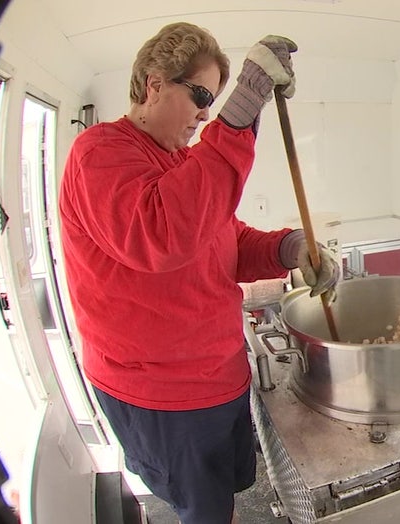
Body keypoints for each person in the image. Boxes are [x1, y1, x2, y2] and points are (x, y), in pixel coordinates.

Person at [58, 22, 339, 524]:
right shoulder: (99, 153)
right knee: (202, 511)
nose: (208, 113)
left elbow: (226, 241)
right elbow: (162, 235)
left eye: (215, 100)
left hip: (218, 374)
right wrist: (243, 109)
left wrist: (288, 247)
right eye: (203, 95)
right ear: (154, 84)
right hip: (163, 394)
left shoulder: (186, 164)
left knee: (224, 494)